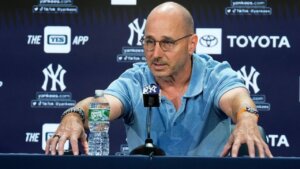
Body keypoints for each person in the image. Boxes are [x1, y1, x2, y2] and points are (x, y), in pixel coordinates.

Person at [45, 1, 273, 157]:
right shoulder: (137, 81)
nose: (155, 54)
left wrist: (246, 120)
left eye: (167, 43)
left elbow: (237, 100)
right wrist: (75, 115)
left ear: (192, 43)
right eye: (149, 42)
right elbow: (102, 107)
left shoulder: (213, 75)